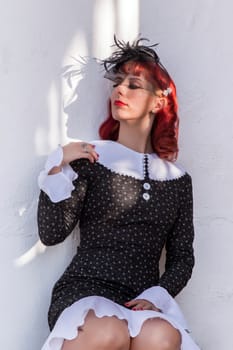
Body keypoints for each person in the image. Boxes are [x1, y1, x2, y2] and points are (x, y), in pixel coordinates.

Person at [38, 37, 200, 350]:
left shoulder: (179, 181)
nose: (119, 91)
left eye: (134, 84)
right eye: (117, 83)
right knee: (109, 331)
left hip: (141, 297)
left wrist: (155, 296)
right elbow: (52, 233)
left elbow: (182, 258)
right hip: (85, 290)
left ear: (158, 101)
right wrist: (58, 166)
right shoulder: (92, 158)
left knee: (162, 337)